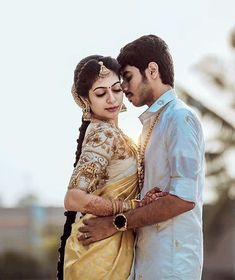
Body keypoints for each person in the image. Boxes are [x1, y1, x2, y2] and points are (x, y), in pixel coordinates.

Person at [77, 35, 205, 280]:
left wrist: (114, 223)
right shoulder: (152, 125)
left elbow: (183, 199)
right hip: (148, 263)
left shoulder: (179, 119)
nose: (123, 87)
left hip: (172, 266)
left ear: (152, 70)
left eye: (127, 77)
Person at [57, 55, 162, 280]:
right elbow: (74, 198)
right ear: (86, 100)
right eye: (101, 93)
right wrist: (133, 205)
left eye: (116, 89)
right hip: (98, 252)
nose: (112, 99)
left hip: (108, 245)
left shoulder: (113, 133)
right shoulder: (103, 134)